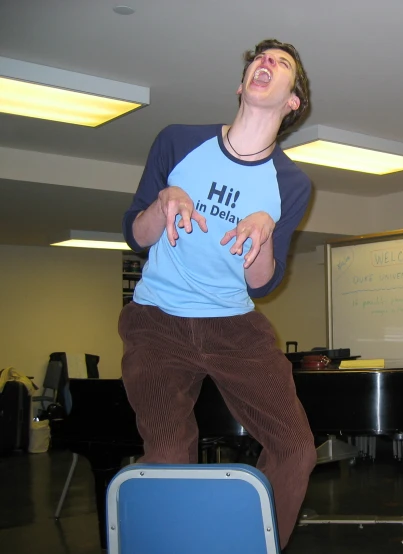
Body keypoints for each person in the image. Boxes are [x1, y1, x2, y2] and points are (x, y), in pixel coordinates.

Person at [118, 39, 316, 549]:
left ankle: (248, 542)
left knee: (296, 450)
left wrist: (264, 233)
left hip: (235, 328)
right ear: (242, 81)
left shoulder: (290, 184)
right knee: (166, 455)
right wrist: (164, 204)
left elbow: (263, 283)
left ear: (292, 101)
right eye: (261, 58)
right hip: (158, 319)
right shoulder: (179, 141)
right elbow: (135, 235)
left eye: (282, 63)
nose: (266, 63)